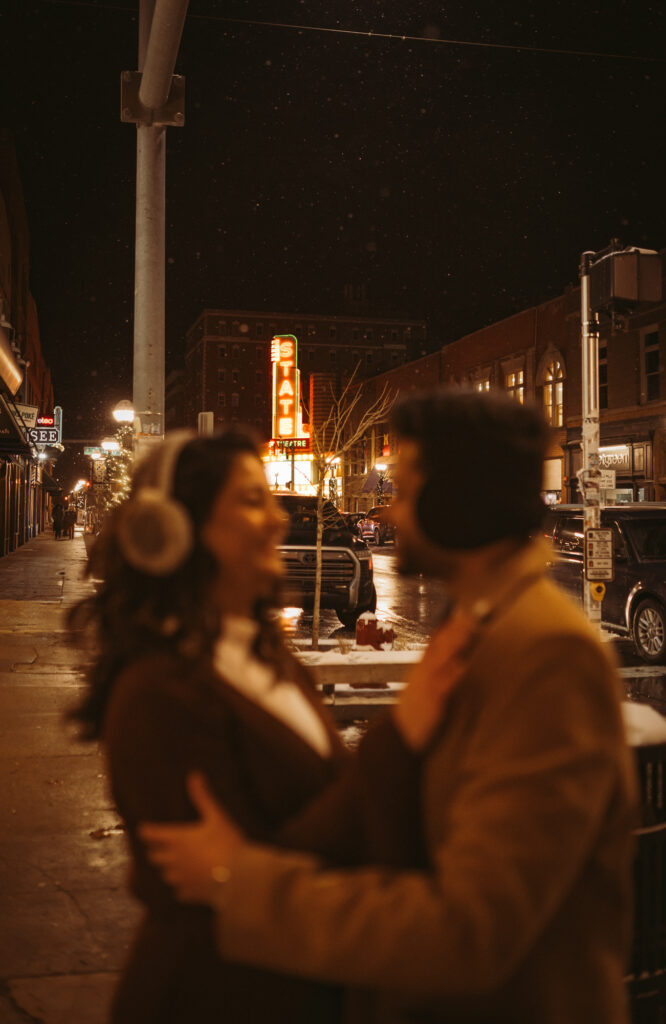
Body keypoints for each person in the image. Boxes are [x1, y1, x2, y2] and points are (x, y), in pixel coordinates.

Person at [142, 389, 639, 1024]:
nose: (390, 511)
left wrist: (243, 884)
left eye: (404, 489)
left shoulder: (546, 655)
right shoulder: (482, 631)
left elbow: (470, 931)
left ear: (454, 501)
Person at [69, 426, 470, 1024]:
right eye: (252, 501)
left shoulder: (263, 653)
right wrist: (400, 735)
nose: (279, 520)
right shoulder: (157, 693)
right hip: (212, 995)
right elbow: (237, 883)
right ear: (178, 529)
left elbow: (268, 859)